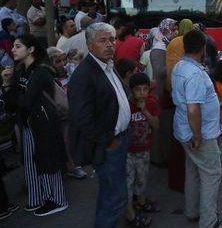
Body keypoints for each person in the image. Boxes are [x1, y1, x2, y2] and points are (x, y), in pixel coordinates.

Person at [67, 22, 131, 228]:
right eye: (103, 40)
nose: (110, 45)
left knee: (113, 194)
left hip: (120, 138)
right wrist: (108, 141)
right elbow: (82, 118)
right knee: (114, 198)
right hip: (109, 145)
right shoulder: (83, 75)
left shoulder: (108, 65)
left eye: (112, 40)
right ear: (89, 45)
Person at [3, 34, 68, 216]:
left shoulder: (41, 71)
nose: (12, 50)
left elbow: (25, 101)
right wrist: (8, 84)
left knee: (47, 159)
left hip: (43, 122)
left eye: (17, 46)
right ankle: (37, 197)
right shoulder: (20, 70)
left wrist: (12, 91)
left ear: (30, 49)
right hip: (27, 124)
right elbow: (12, 102)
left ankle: (56, 199)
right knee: (32, 162)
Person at [171, 30, 222, 228]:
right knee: (212, 174)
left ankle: (192, 210)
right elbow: (193, 107)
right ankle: (209, 222)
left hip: (184, 130)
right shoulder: (194, 73)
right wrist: (197, 135)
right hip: (199, 133)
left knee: (193, 169)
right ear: (202, 48)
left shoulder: (181, 66)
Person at [125, 73, 160, 227]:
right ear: (131, 91)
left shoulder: (151, 103)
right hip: (128, 153)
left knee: (142, 178)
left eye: (145, 89)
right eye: (138, 90)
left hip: (144, 150)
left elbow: (156, 125)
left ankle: (140, 201)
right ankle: (129, 214)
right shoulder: (126, 105)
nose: (142, 93)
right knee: (128, 183)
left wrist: (145, 110)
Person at [46, 47, 87, 180]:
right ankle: (70, 166)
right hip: (61, 115)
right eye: (58, 61)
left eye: (64, 60)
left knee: (70, 140)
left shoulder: (69, 71)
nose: (63, 64)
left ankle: (72, 164)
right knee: (65, 141)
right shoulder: (49, 77)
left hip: (70, 114)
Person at [165, 18, 195, 192]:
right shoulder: (186, 42)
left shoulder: (173, 42)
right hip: (184, 90)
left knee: (176, 138)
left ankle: (175, 179)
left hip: (172, 88)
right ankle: (185, 182)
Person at [148, 19, 177, 166]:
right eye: (173, 29)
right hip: (159, 92)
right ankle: (159, 157)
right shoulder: (159, 48)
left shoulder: (164, 45)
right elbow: (159, 71)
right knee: (161, 125)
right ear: (165, 30)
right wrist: (175, 64)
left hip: (162, 91)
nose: (175, 32)